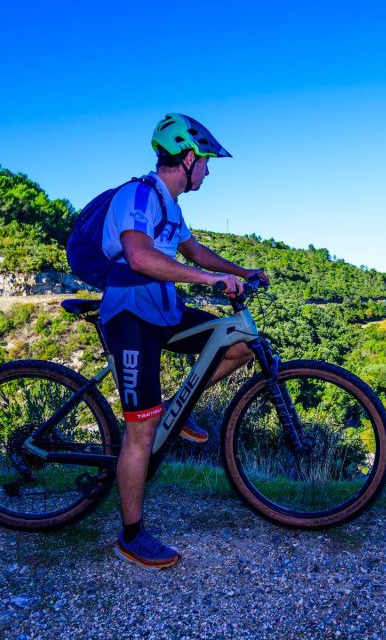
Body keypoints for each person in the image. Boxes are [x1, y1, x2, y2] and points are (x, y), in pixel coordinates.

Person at [100, 113, 268, 569]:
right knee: (141, 433)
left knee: (239, 344)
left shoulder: (170, 205)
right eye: (207, 162)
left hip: (164, 309)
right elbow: (137, 255)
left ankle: (177, 409)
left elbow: (193, 251)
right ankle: (131, 536)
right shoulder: (136, 195)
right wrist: (207, 280)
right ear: (188, 158)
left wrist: (239, 272)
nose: (209, 171)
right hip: (132, 313)